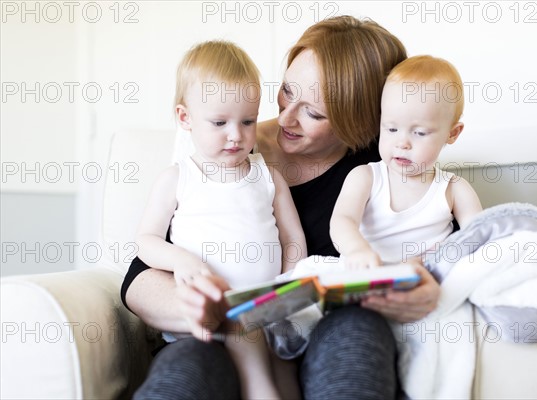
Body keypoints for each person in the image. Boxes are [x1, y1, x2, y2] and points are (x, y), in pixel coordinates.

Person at [122, 16, 442, 399]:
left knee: (356, 332)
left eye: (314, 113)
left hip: (318, 332)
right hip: (213, 332)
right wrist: (208, 310)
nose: (287, 117)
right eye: (288, 91)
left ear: (361, 122)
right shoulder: (219, 144)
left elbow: (444, 239)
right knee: (187, 368)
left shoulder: (382, 164)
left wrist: (429, 285)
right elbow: (140, 274)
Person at [134, 40, 306, 399]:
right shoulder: (178, 178)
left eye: (248, 121)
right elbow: (146, 240)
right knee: (242, 333)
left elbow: (292, 239)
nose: (236, 135)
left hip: (268, 309)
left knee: (286, 370)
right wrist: (182, 260)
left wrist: (289, 285)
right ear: (185, 118)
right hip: (207, 314)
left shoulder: (267, 177)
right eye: (219, 122)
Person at [330, 55, 483, 270]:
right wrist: (356, 250)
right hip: (367, 273)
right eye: (391, 129)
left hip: (427, 277)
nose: (402, 143)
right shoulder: (365, 177)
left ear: (452, 133)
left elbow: (478, 237)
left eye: (419, 133)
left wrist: (442, 258)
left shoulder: (453, 188)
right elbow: (342, 220)